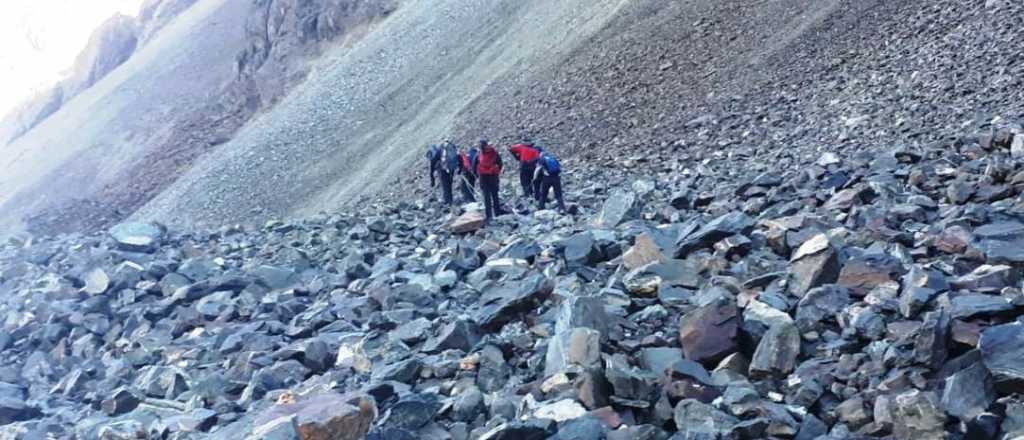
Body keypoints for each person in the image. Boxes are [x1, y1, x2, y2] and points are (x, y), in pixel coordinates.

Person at [474, 139, 503, 221]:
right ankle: (497, 213)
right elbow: (500, 164)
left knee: (486, 197)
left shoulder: (479, 155)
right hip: (493, 177)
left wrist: (477, 175)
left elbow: (474, 166)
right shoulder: (494, 153)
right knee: (495, 195)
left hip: (483, 178)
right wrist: (496, 172)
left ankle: (489, 215)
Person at [437, 139, 459, 206]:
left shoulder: (441, 148)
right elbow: (457, 157)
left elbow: (435, 159)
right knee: (449, 184)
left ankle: (448, 201)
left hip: (443, 169)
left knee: (445, 185)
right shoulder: (452, 147)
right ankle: (450, 199)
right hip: (451, 168)